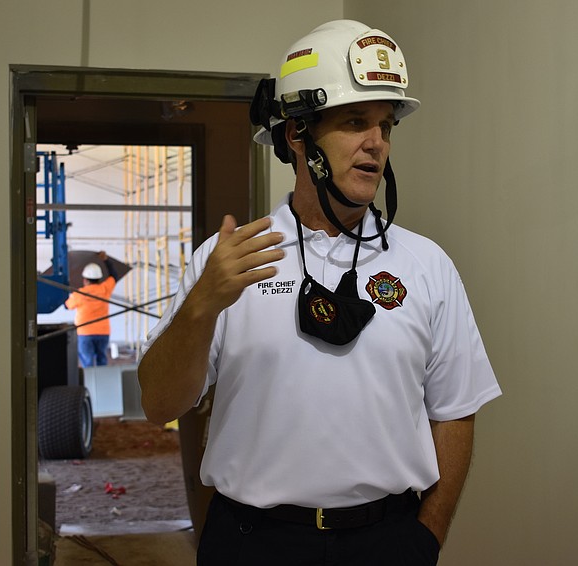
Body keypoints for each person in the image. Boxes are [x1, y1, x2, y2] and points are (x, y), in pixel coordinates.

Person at [138, 20, 501, 565]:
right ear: (296, 134)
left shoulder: (427, 265)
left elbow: (455, 410)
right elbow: (159, 403)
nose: (376, 143)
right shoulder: (228, 259)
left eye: (385, 125)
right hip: (251, 543)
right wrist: (202, 306)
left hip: (388, 541)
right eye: (355, 122)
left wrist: (426, 536)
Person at [65, 251, 118, 367]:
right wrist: (106, 260)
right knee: (102, 360)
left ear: (85, 280)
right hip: (103, 332)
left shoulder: (79, 294)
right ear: (99, 278)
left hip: (85, 333)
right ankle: (102, 382)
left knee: (87, 362)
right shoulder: (105, 289)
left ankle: (89, 383)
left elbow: (66, 306)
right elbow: (114, 276)